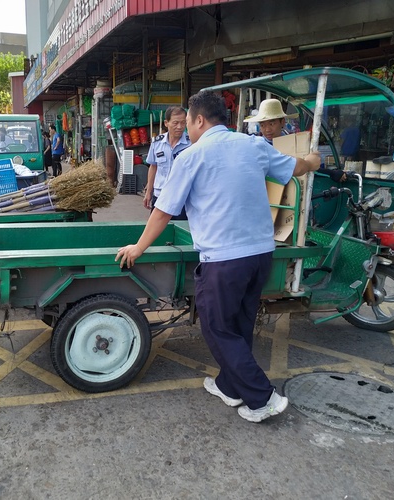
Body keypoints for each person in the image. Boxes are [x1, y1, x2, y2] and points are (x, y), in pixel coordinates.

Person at [115, 91, 321, 423]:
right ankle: (230, 386)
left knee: (217, 328)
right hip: (260, 255)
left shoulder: (191, 157)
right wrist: (313, 160)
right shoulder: (253, 146)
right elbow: (297, 167)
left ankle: (263, 398)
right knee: (239, 324)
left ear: (199, 120)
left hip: (224, 260)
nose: (186, 129)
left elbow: (163, 211)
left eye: (188, 122)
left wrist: (138, 248)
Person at [246, 98, 346, 183]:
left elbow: (307, 165)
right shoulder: (259, 147)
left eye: (271, 124)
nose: (267, 130)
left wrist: (332, 173)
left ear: (282, 122)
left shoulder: (293, 143)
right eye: (262, 125)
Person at [144, 106, 192, 220]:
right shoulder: (157, 143)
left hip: (182, 198)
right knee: (157, 229)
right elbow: (153, 167)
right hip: (160, 196)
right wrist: (149, 192)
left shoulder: (191, 144)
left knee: (181, 228)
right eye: (175, 123)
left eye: (183, 123)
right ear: (166, 123)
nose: (180, 127)